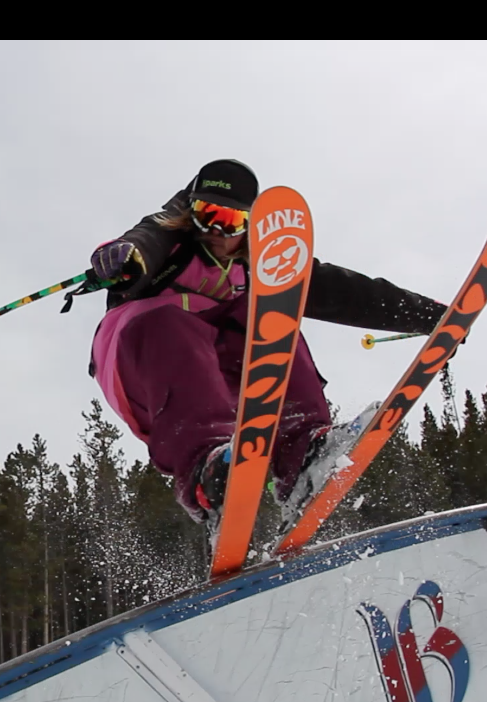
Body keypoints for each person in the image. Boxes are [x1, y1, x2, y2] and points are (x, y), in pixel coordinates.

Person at [82, 158, 449, 530]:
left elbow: (345, 292)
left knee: (268, 313)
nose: (214, 230)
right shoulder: (170, 241)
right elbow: (145, 241)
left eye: (229, 221)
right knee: (173, 322)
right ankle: (205, 469)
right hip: (144, 365)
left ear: (248, 225)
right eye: (205, 215)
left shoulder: (260, 265)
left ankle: (303, 453)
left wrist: (424, 314)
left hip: (219, 378)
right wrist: (123, 258)